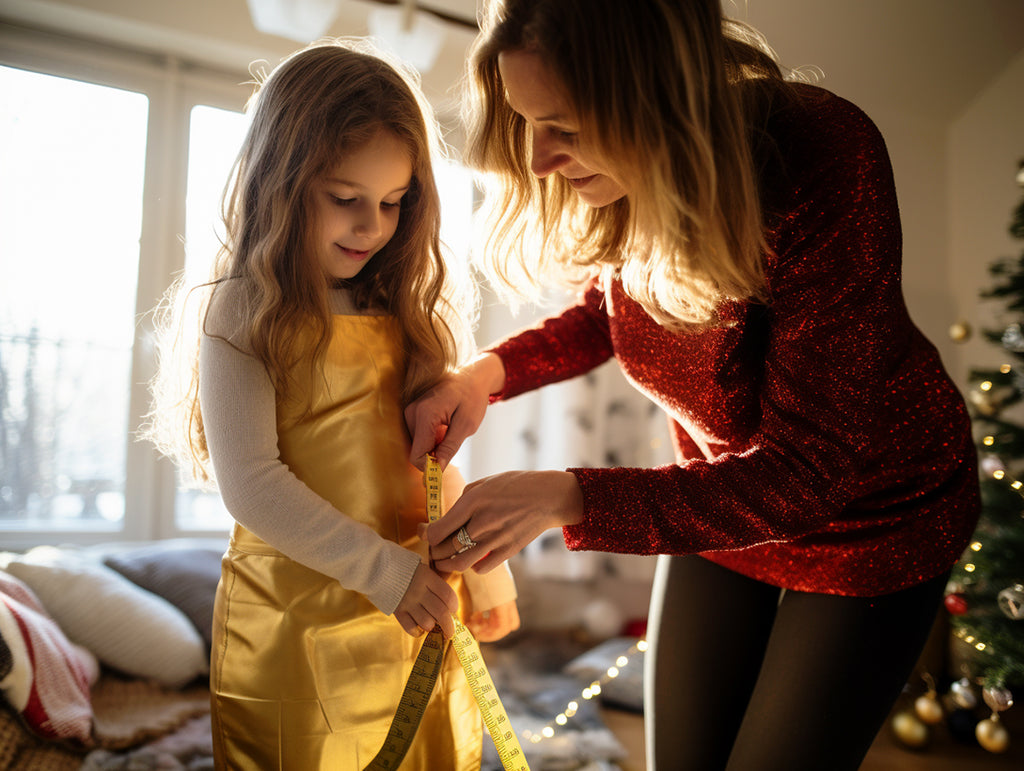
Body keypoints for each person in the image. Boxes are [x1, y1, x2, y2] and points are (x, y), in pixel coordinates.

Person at [405, 1, 981, 769]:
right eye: (527, 122)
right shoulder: (626, 178)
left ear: (656, 100)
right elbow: (607, 309)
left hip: (873, 517)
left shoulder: (822, 154)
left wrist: (564, 494)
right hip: (721, 502)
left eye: (565, 128)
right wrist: (483, 375)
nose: (538, 160)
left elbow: (807, 473)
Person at [145, 39, 519, 770]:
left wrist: (485, 572)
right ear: (277, 184)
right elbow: (252, 484)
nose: (371, 226)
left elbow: (432, 477)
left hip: (410, 615)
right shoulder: (242, 311)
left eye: (392, 202)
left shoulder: (414, 315)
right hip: (292, 621)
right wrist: (388, 573)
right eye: (345, 199)